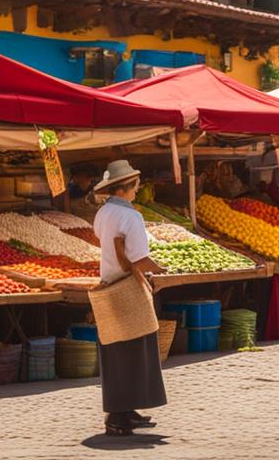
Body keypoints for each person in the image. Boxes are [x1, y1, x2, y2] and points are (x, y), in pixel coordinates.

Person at [91, 160, 168, 437]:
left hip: (109, 284)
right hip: (128, 288)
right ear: (126, 188)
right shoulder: (131, 217)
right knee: (137, 349)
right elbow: (139, 258)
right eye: (136, 186)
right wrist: (162, 269)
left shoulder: (102, 213)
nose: (137, 191)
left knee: (116, 351)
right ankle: (119, 416)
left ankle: (123, 411)